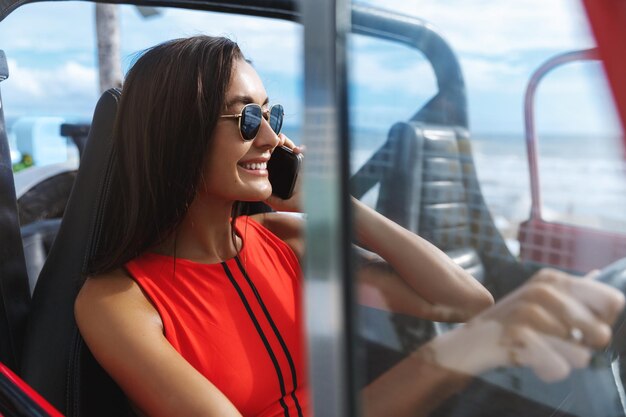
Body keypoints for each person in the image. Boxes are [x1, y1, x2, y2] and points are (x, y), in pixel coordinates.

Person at [74, 35, 624, 417]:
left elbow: (464, 303)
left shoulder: (288, 241)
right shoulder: (118, 301)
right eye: (246, 118)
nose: (270, 138)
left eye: (273, 115)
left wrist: (343, 207)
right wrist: (465, 351)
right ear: (178, 137)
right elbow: (476, 326)